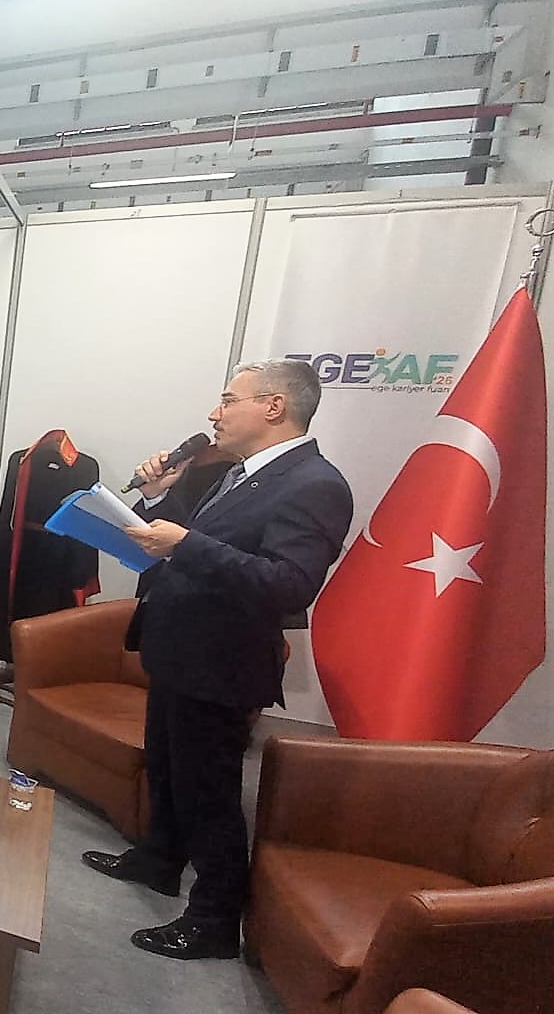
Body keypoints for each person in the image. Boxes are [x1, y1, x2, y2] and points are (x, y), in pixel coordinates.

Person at [83, 359, 353, 961]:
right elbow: (195, 544)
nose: (214, 413)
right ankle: (158, 859)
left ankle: (213, 919)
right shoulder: (237, 473)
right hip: (178, 648)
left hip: (222, 663)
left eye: (229, 400)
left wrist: (187, 543)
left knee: (209, 794)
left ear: (274, 407)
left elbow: (289, 584)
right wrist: (160, 499)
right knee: (168, 769)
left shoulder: (316, 484)